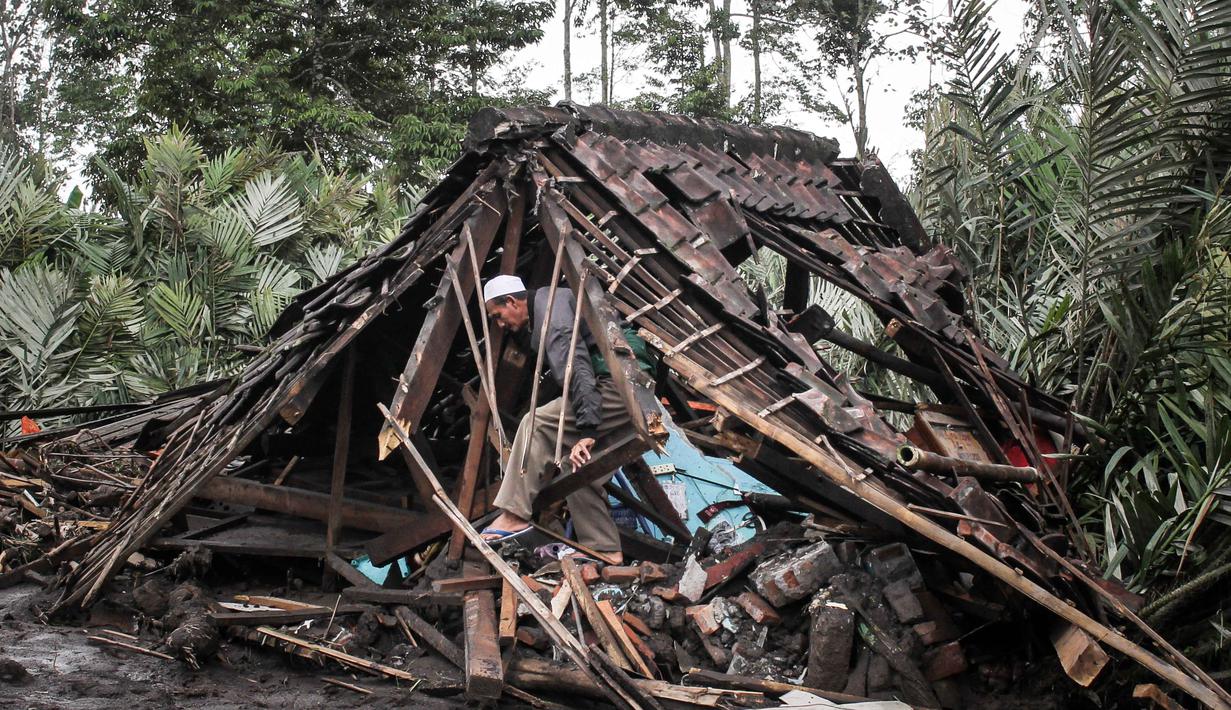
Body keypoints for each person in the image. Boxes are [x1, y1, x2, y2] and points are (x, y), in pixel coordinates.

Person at [480, 274, 649, 564]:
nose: (500, 325)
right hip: (633, 387)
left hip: (619, 384)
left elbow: (577, 371)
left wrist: (587, 427)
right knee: (579, 468)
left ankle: (513, 514)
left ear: (511, 301)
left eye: (498, 316)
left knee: (537, 424)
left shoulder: (551, 313)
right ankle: (605, 550)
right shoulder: (551, 303)